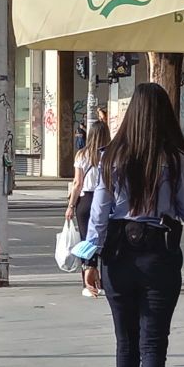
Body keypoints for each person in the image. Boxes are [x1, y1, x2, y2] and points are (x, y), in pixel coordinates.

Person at [75, 83, 184, 367]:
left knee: (125, 343)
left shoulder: (109, 157)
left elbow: (97, 217)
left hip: (116, 256)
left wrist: (89, 263)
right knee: (153, 345)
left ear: (131, 115)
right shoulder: (176, 158)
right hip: (159, 256)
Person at [66, 120, 111, 297]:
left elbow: (78, 183)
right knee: (106, 241)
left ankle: (88, 283)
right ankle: (105, 282)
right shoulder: (111, 155)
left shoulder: (82, 155)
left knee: (87, 241)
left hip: (85, 201)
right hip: (105, 199)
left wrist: (71, 205)